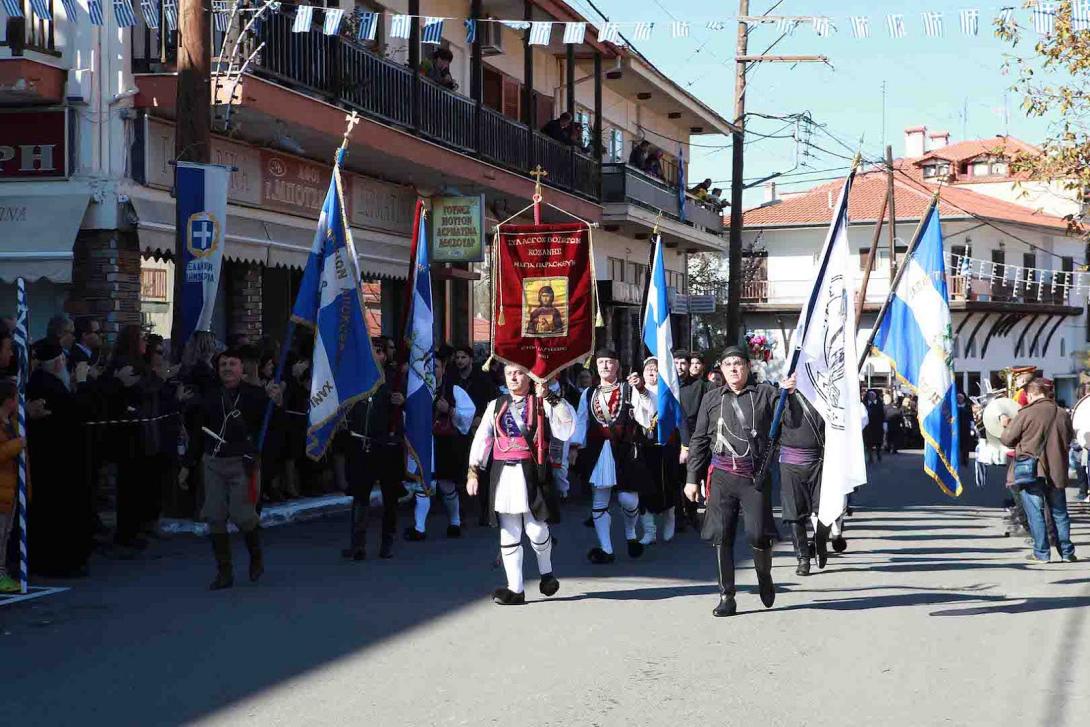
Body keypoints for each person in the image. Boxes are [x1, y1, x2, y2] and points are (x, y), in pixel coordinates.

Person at [683, 346, 796, 617]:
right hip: (721, 476)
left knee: (758, 534)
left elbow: (790, 424)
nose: (733, 368)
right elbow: (699, 440)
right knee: (722, 537)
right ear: (720, 369)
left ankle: (764, 577)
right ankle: (727, 596)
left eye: (738, 363)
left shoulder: (767, 394)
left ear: (748, 366)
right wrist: (691, 479)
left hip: (753, 476)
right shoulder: (711, 399)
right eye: (728, 364)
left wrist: (790, 397)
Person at [468, 364, 575, 605]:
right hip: (503, 473)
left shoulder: (541, 401)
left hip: (532, 472)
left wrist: (549, 395)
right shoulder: (495, 405)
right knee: (509, 530)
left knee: (536, 530)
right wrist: (473, 471)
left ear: (528, 376)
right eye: (509, 373)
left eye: (518, 372)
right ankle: (515, 589)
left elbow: (567, 425)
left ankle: (546, 573)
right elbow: (483, 438)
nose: (514, 377)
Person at [181, 348, 283, 589]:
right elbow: (197, 433)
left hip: (244, 464)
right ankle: (224, 572)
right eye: (223, 364)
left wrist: (277, 404)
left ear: (242, 369)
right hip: (213, 462)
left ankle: (255, 555)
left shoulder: (257, 395)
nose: (227, 368)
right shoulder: (208, 396)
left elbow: (276, 429)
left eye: (232, 364)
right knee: (214, 517)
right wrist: (187, 465)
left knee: (244, 517)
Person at [570, 348, 656, 564]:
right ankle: (606, 549)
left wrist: (641, 389)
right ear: (596, 367)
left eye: (609, 362)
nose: (605, 366)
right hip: (598, 452)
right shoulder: (588, 394)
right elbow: (581, 421)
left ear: (617, 365)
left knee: (628, 499)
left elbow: (649, 412)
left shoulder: (628, 389)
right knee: (599, 500)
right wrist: (574, 446)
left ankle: (630, 533)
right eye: (601, 363)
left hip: (625, 450)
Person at [26, 341, 95, 577]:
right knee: (59, 513)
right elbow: (79, 410)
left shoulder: (41, 382)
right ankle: (60, 562)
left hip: (51, 459)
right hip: (59, 462)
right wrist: (83, 383)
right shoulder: (49, 386)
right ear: (58, 363)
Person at [999, 379, 1077, 563]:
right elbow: (1069, 439)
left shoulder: (1026, 413)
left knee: (1035, 512)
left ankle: (1042, 553)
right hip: (1056, 469)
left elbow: (1007, 440)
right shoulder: (1062, 414)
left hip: (1030, 470)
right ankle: (1067, 552)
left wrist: (1005, 425)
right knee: (1059, 512)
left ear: (1031, 394)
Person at [343, 338, 406, 560]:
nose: (376, 355)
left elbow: (414, 406)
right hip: (361, 444)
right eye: (372, 351)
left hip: (387, 445)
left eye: (380, 351)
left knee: (390, 497)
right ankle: (357, 543)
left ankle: (387, 542)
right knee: (360, 495)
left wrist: (402, 401)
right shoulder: (355, 379)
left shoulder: (396, 379)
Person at [405, 357, 475, 541]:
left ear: (443, 369)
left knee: (446, 486)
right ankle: (419, 528)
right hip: (422, 442)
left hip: (445, 444)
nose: (431, 370)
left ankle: (455, 521)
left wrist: (450, 410)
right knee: (423, 483)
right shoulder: (416, 390)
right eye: (427, 366)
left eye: (435, 366)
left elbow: (468, 415)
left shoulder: (454, 390)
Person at [637, 357, 682, 546]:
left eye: (655, 369)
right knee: (644, 487)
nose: (651, 373)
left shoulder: (667, 391)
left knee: (668, 483)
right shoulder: (634, 391)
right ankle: (649, 531)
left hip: (666, 446)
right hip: (643, 445)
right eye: (648, 369)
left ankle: (670, 516)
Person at [780, 389, 824, 576]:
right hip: (791, 462)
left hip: (820, 461)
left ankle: (817, 543)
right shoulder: (781, 397)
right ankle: (803, 557)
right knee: (794, 513)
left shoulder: (825, 396)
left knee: (825, 510)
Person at [0, 380, 27, 593]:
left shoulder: (11, 422)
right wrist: (16, 445)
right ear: (9, 400)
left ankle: (2, 573)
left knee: (5, 534)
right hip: (1, 489)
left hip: (10, 489)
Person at [862, 390, 886, 463]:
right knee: (868, 442)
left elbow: (882, 415)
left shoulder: (879, 404)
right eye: (870, 395)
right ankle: (870, 457)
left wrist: (884, 424)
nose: (872, 396)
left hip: (877, 426)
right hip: (868, 426)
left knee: (878, 441)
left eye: (873, 395)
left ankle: (878, 454)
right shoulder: (865, 404)